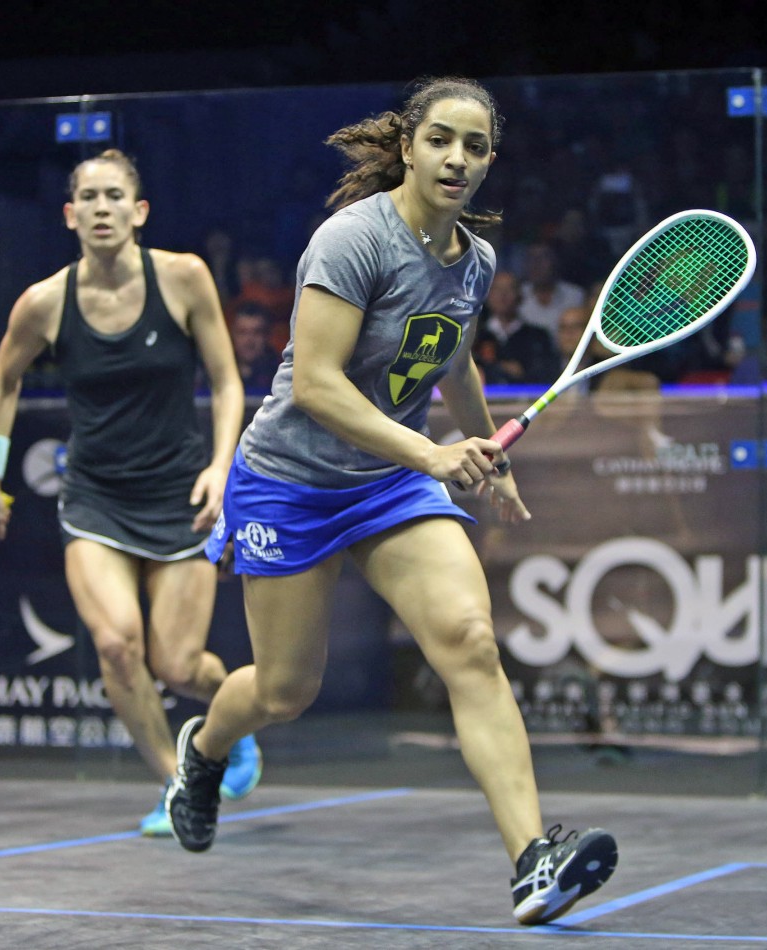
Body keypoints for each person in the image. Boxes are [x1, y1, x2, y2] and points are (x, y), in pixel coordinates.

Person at [165, 77, 617, 926]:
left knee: (470, 642)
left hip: (388, 483)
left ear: (489, 161)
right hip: (291, 483)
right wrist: (434, 454)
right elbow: (315, 385)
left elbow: (454, 359)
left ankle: (533, 861)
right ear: (407, 147)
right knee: (284, 692)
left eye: (474, 146)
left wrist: (484, 450)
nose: (456, 159)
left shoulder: (475, 261)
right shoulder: (352, 240)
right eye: (440, 139)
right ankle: (205, 750)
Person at [0, 149, 262, 838]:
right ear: (70, 215)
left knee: (179, 665)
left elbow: (226, 381)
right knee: (117, 646)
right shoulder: (44, 303)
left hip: (179, 497)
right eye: (89, 198)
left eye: (114, 196)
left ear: (139, 211)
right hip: (94, 502)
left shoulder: (185, 278)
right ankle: (178, 784)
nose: (102, 208)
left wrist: (222, 466)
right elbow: (2, 383)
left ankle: (232, 722)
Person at [473, 270, 561, 386]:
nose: (503, 295)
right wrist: (503, 368)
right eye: (497, 289)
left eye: (509, 289)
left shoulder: (538, 337)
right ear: (487, 295)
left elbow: (547, 374)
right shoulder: (475, 336)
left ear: (520, 296)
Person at [516, 241, 587, 337]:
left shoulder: (575, 296)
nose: (536, 264)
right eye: (531, 258)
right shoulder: (518, 294)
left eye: (543, 257)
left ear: (555, 261)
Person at [228, 300, 282, 395]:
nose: (249, 341)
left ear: (267, 336)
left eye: (257, 332)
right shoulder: (216, 372)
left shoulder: (281, 373)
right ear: (232, 335)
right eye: (242, 332)